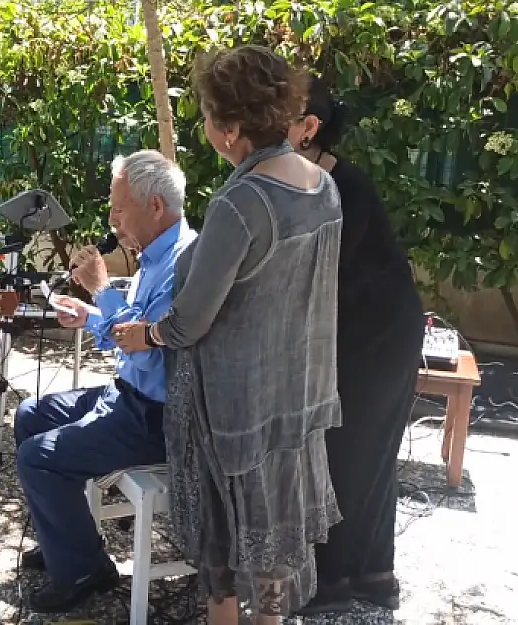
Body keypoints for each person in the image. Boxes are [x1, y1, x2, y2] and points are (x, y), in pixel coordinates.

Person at [114, 46, 342, 624]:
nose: (206, 126)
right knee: (273, 539)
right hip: (297, 398)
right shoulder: (322, 184)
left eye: (208, 115)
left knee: (225, 543)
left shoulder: (241, 202)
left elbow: (191, 319)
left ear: (231, 127)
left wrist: (150, 335)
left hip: (232, 411)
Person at [13, 149, 197, 613]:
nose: (113, 220)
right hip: (126, 396)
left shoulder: (183, 262)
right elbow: (130, 332)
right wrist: (92, 315)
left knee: (39, 458)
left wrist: (99, 289)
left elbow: (145, 346)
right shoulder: (153, 256)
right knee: (29, 416)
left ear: (155, 205)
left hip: (153, 418)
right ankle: (67, 542)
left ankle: (83, 571)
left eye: (119, 208)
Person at [289, 76, 425, 614]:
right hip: (361, 330)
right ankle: (376, 573)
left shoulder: (344, 187)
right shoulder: (309, 180)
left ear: (309, 128)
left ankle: (333, 581)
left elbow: (325, 277)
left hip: (381, 334)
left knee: (350, 449)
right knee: (369, 453)